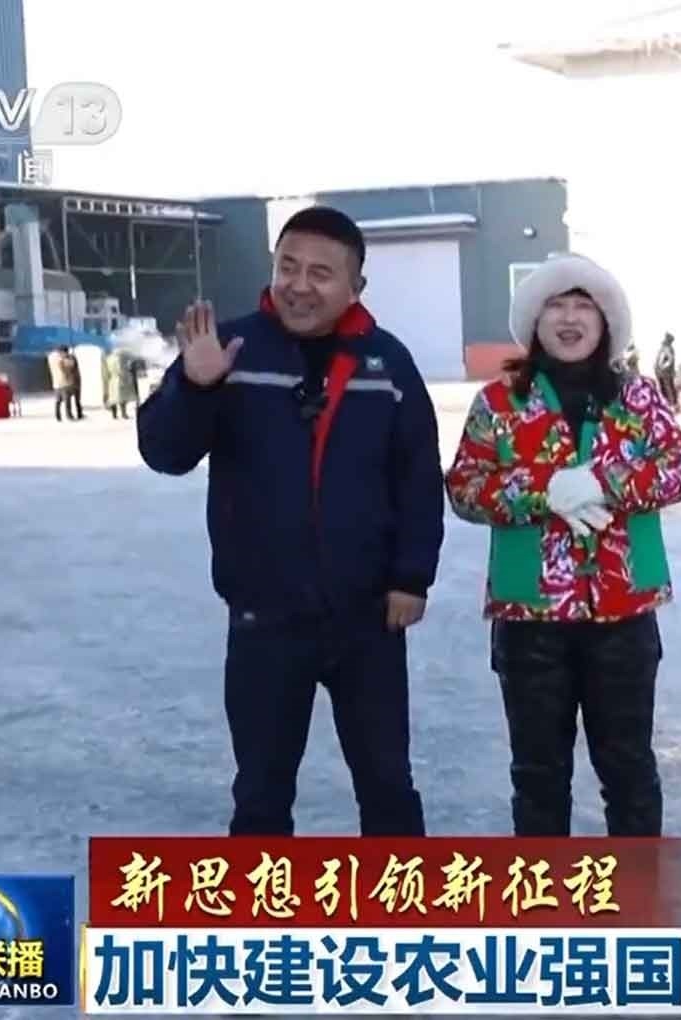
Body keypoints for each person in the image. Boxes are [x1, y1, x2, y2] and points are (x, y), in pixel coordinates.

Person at [137, 205, 445, 837]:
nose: (300, 285)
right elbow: (165, 453)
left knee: (387, 784)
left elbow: (417, 478)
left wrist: (411, 577)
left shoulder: (388, 364)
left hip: (367, 620)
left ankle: (403, 898)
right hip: (264, 619)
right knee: (261, 792)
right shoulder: (230, 351)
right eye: (288, 267)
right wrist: (194, 386)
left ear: (356, 286)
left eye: (321, 273)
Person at [445, 252, 681, 837]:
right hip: (530, 618)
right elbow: (464, 488)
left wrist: (605, 483)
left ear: (605, 322)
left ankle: (636, 888)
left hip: (622, 616)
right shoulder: (499, 403)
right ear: (534, 321)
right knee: (538, 776)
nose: (569, 319)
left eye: (583, 307)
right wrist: (544, 490)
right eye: (555, 306)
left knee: (629, 772)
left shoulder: (636, 398)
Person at [103, 347, 141, 419]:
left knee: (113, 398)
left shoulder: (109, 358)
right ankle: (123, 413)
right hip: (121, 379)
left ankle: (114, 414)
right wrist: (128, 376)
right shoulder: (121, 358)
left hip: (112, 379)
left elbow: (107, 371)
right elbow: (121, 369)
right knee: (122, 398)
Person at [50, 346, 83, 421]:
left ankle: (58, 416)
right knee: (66, 400)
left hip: (58, 383)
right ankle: (68, 416)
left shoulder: (53, 358)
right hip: (65, 383)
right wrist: (72, 359)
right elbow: (69, 368)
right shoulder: (62, 360)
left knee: (59, 400)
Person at [653, 331, 679, 406]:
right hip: (661, 372)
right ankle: (667, 402)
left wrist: (662, 367)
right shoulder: (664, 348)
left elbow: (670, 360)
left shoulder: (667, 348)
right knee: (663, 387)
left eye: (666, 338)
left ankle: (672, 403)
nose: (664, 339)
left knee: (668, 387)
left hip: (666, 372)